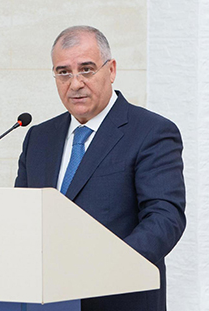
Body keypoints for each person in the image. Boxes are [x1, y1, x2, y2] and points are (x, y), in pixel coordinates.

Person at [15, 26, 186, 311]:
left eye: (86, 69)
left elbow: (165, 218)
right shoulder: (39, 138)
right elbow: (23, 215)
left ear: (111, 70)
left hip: (119, 297)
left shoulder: (151, 132)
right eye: (63, 72)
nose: (75, 83)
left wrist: (108, 268)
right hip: (48, 300)